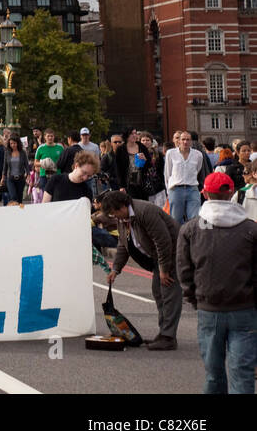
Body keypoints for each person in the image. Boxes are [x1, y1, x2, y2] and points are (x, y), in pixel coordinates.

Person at [176, 172, 257, 393]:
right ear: (231, 193)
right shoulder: (250, 228)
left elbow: (184, 270)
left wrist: (194, 298)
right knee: (243, 374)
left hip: (208, 308)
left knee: (213, 374)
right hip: (245, 309)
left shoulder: (191, 228)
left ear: (204, 193)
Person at [104, 189, 182, 351]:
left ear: (122, 207)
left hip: (173, 252)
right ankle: (165, 334)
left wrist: (164, 269)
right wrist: (116, 269)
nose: (114, 217)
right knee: (159, 292)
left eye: (113, 213)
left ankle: (168, 337)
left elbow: (163, 241)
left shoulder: (145, 212)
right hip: (158, 257)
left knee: (168, 293)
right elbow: (123, 245)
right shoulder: (123, 218)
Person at [165, 131, 205, 225]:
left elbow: (197, 169)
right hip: (176, 189)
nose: (185, 142)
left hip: (192, 188)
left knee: (194, 218)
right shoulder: (170, 153)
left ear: (191, 142)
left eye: (188, 139)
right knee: (176, 219)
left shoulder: (198, 155)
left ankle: (192, 238)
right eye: (183, 139)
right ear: (178, 141)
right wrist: (168, 190)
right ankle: (178, 238)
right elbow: (167, 173)